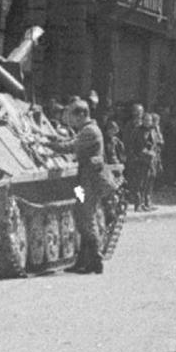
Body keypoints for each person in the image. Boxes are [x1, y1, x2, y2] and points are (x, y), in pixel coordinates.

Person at [48, 99, 111, 274]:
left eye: (74, 116)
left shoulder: (90, 130)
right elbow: (71, 140)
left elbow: (71, 146)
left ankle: (95, 260)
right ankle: (83, 260)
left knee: (86, 216)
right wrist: (52, 138)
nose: (71, 121)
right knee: (81, 215)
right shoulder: (87, 129)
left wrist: (49, 145)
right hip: (83, 180)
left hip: (88, 181)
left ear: (83, 114)